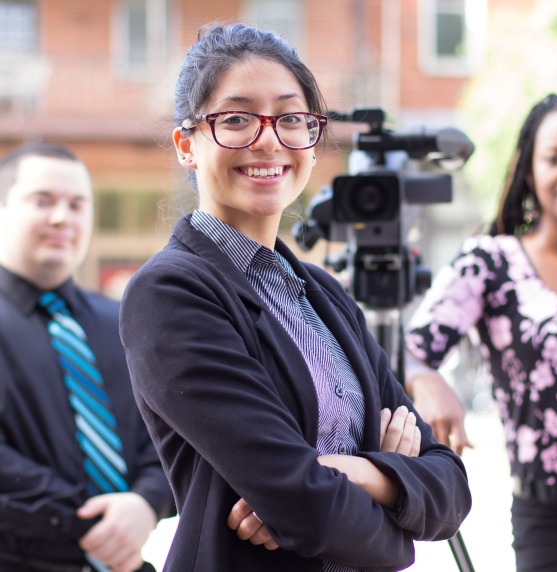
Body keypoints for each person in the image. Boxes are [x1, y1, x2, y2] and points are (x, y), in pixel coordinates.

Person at [118, 23, 471, 572]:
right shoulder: (170, 292)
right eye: (235, 119)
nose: (268, 139)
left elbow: (450, 484)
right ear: (187, 144)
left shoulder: (323, 293)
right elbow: (306, 504)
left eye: (291, 118)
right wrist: (399, 527)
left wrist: (358, 473)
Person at [404, 90, 557, 571]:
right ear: (528, 165)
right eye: (555, 157)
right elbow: (404, 352)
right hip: (552, 520)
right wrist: (426, 378)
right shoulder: (490, 262)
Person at [0, 141, 174, 572]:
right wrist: (91, 520)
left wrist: (145, 503)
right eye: (43, 201)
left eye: (78, 205)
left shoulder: (124, 322)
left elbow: (170, 431)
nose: (62, 217)